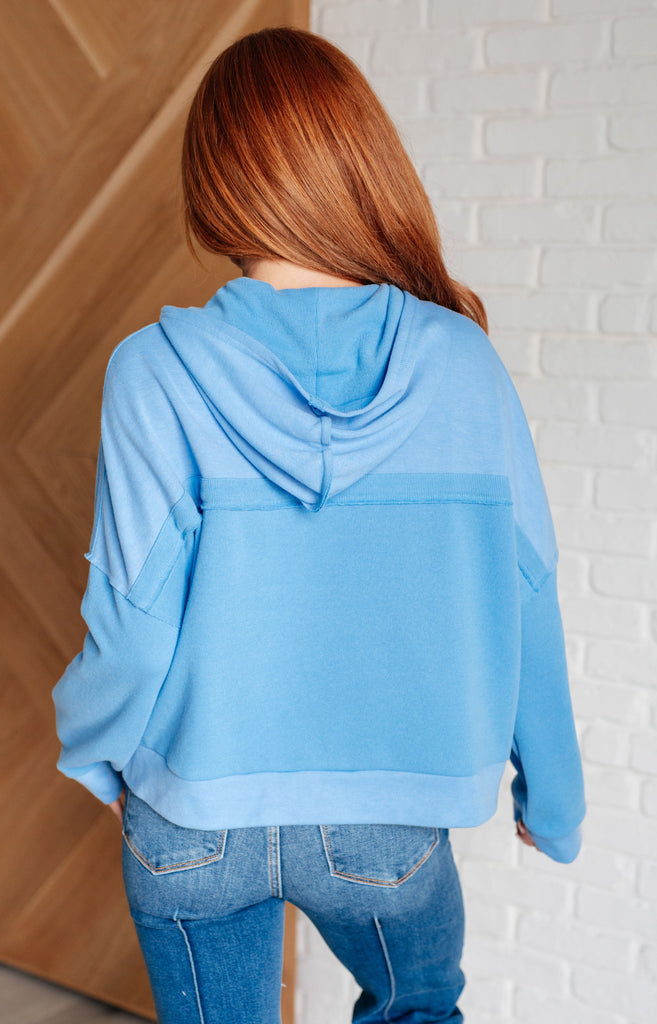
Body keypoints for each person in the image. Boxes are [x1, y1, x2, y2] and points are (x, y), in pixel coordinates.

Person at [51, 25, 586, 1024]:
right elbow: (526, 593)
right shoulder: (462, 364)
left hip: (194, 817)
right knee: (416, 1008)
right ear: (359, 166)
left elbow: (132, 628)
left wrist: (92, 748)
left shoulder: (153, 372)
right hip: (385, 826)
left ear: (214, 184)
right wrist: (551, 798)